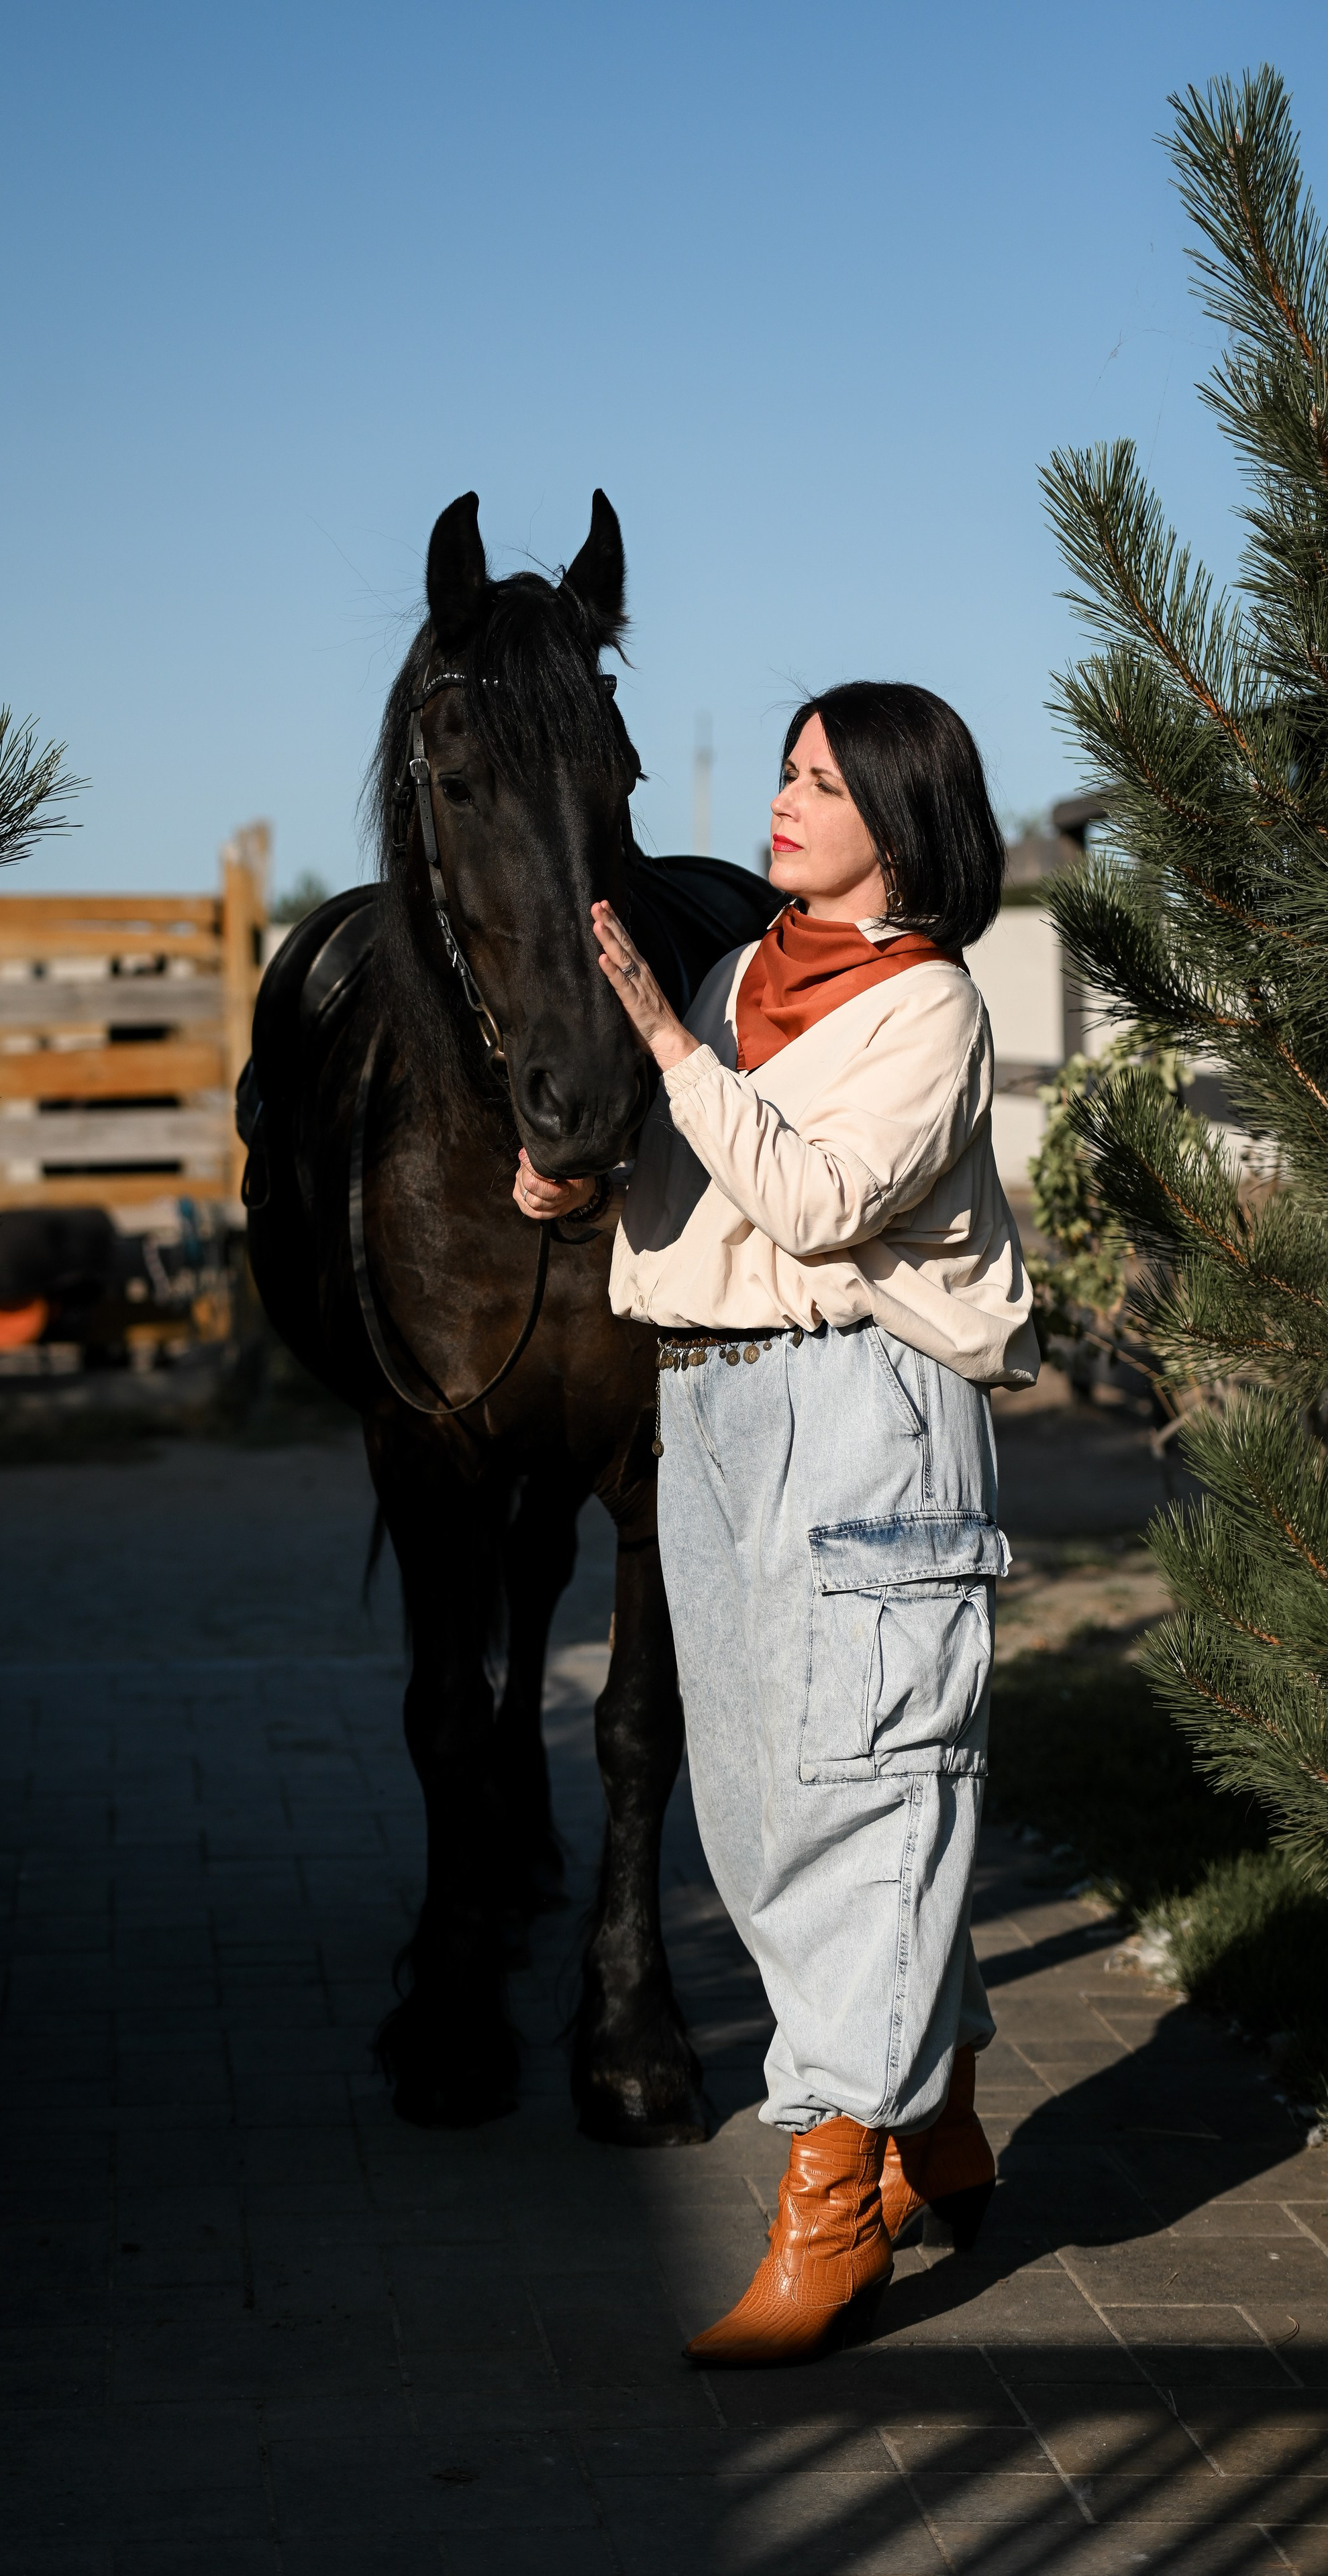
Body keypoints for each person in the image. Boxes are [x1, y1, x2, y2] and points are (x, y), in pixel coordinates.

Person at [514, 681, 1038, 2366]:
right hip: (711, 1404)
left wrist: (667, 1052)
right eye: (787, 771)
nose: (783, 800)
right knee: (746, 1792)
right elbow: (699, 1177)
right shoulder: (742, 976)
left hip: (859, 1409)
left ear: (901, 815)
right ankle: (933, 2100)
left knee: (857, 1784)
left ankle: (833, 2199)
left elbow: (812, 1203)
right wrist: (579, 1178)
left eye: (822, 780)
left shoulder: (926, 1007)